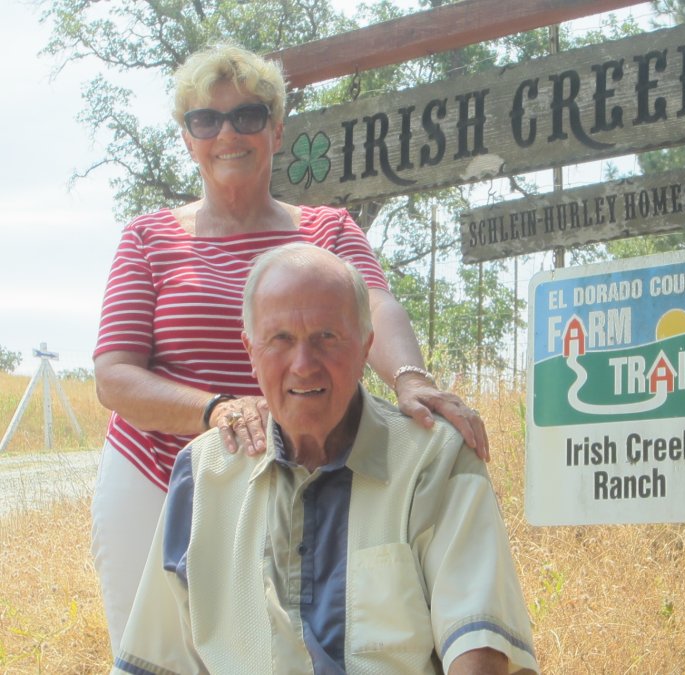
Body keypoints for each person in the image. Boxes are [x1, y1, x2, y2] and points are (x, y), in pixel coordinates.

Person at [91, 43, 488, 656]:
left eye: (247, 116)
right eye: (206, 119)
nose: (227, 133)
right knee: (161, 654)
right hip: (153, 474)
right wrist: (218, 409)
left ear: (276, 129)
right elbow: (114, 376)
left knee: (269, 649)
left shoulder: (325, 231)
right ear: (187, 137)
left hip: (287, 474)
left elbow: (374, 307)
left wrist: (410, 378)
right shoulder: (149, 237)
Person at [113, 243, 538, 674]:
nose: (303, 364)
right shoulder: (203, 475)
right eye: (280, 339)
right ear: (251, 351)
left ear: (365, 347)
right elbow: (154, 661)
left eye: (326, 337)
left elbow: (479, 650)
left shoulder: (434, 458)